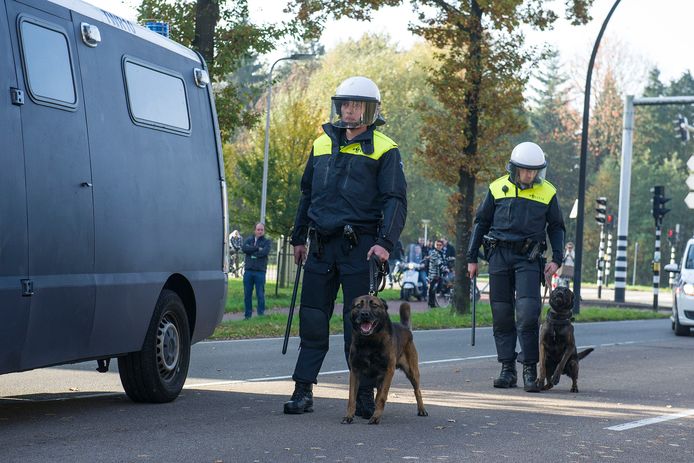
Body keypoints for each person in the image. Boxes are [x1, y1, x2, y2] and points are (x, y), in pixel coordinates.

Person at [283, 76, 407, 417]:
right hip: (320, 246)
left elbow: (395, 200)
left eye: (356, 105)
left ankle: (364, 396)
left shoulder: (385, 148)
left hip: (361, 248)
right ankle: (303, 390)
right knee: (311, 320)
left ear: (370, 110)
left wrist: (385, 243)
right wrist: (298, 236)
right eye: (345, 105)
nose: (349, 111)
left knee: (361, 324)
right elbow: (307, 194)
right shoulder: (321, 144)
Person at [466, 142, 564, 393]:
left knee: (528, 314)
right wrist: (471, 258)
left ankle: (530, 369)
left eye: (535, 171)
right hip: (498, 257)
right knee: (501, 315)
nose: (530, 175)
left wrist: (557, 258)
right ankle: (507, 369)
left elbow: (556, 226)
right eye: (525, 170)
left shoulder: (548, 192)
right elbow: (481, 222)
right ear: (514, 169)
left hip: (528, 259)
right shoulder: (497, 188)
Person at [242, 223, 272, 319]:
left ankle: (260, 315)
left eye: (261, 230)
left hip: (260, 272)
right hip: (248, 272)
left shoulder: (267, 242)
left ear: (264, 231)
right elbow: (244, 248)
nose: (260, 231)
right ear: (255, 230)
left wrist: (252, 253)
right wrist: (256, 248)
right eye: (258, 229)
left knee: (260, 294)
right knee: (247, 295)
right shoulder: (249, 240)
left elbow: (264, 252)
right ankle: (247, 316)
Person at [427, 239, 446, 307]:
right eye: (437, 245)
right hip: (433, 273)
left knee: (437, 287)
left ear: (442, 246)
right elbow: (438, 262)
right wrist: (445, 268)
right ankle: (431, 303)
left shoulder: (442, 253)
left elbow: (444, 260)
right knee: (432, 288)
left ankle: (433, 301)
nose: (438, 246)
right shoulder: (433, 253)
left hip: (439, 273)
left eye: (440, 245)